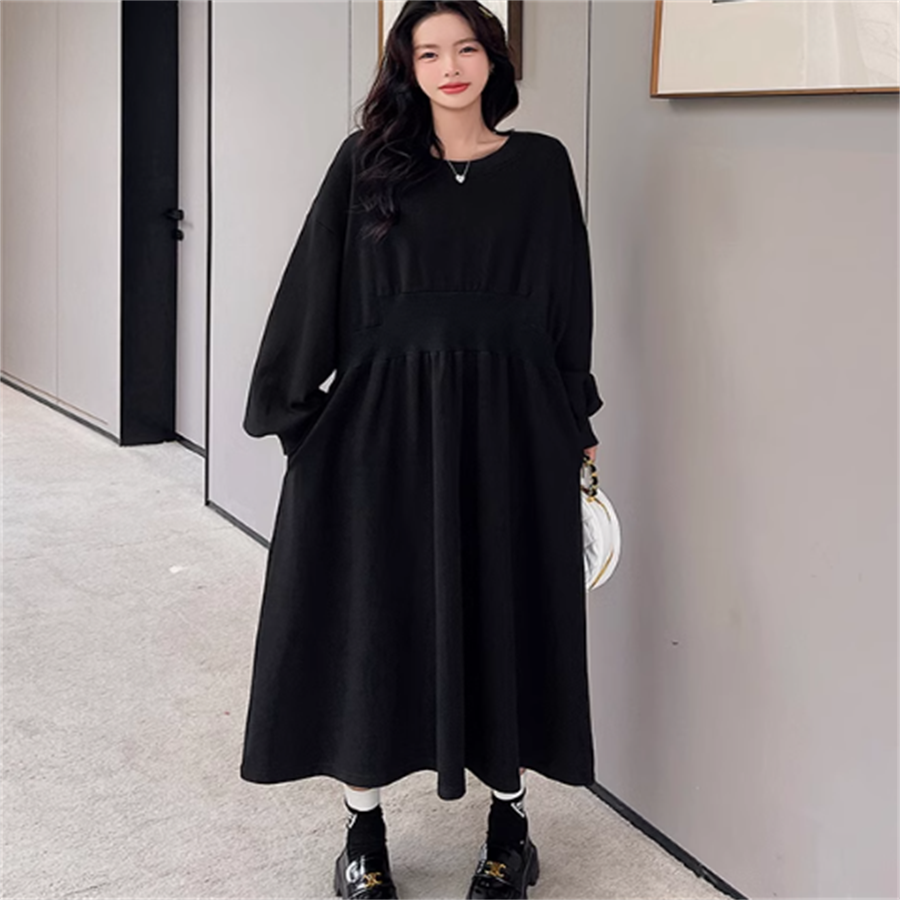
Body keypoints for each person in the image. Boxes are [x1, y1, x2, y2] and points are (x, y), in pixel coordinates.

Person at [239, 1, 603, 898]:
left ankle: (510, 829)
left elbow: (568, 304)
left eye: (466, 48)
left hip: (514, 426)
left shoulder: (542, 166)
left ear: (493, 61)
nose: (450, 67)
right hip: (384, 430)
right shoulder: (367, 163)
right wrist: (298, 418)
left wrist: (575, 421)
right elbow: (312, 287)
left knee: (509, 615)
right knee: (374, 616)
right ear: (406, 66)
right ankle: (363, 833)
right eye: (429, 52)